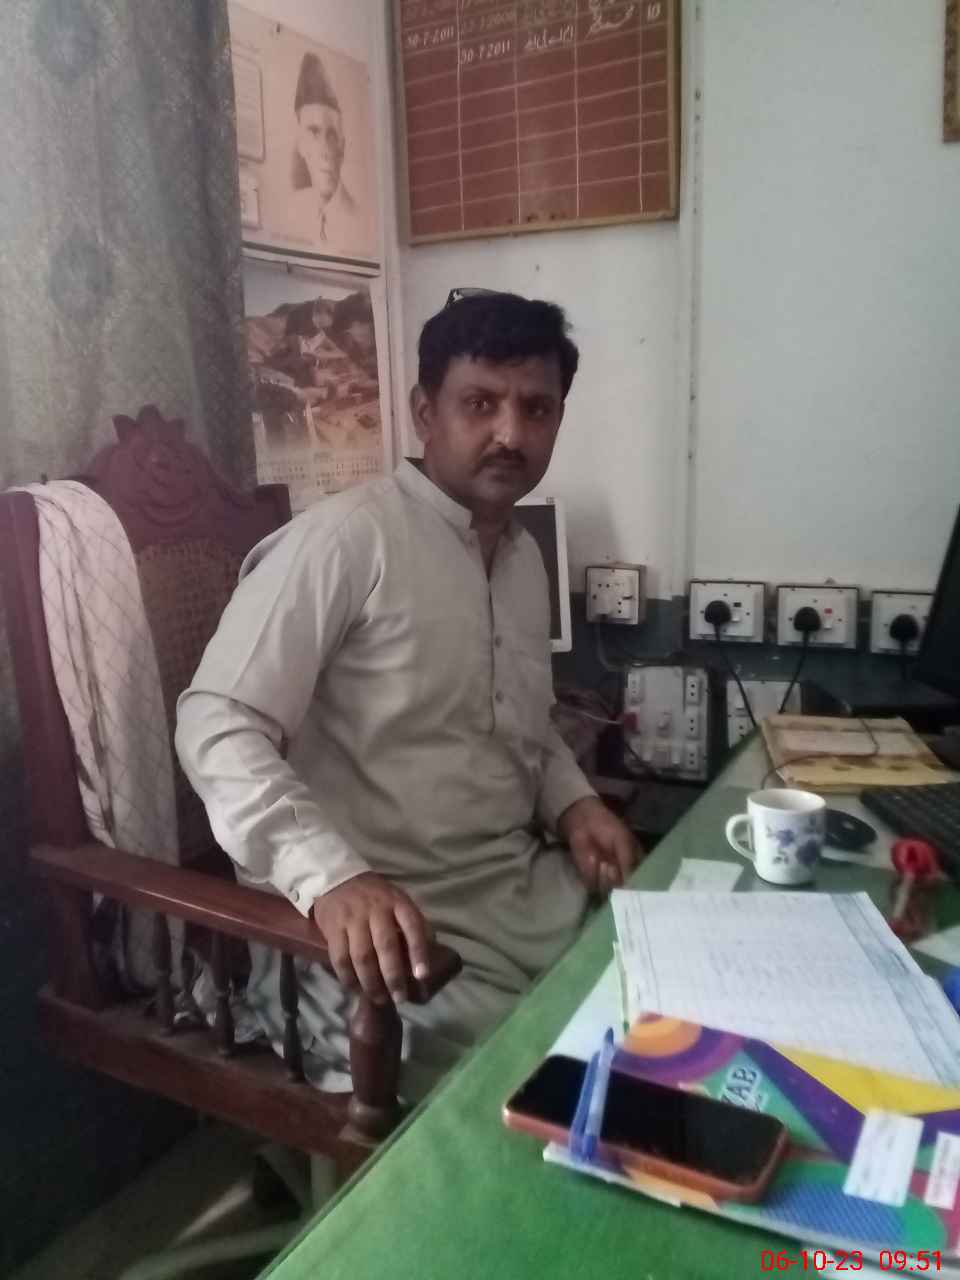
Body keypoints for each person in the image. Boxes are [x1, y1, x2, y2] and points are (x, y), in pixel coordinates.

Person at [175, 291, 638, 1096]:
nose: (510, 433)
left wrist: (573, 803)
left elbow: (518, 720)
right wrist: (331, 877)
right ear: (427, 412)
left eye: (536, 408)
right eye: (480, 403)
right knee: (581, 1082)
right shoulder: (346, 540)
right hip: (382, 940)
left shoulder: (521, 559)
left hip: (518, 896)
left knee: (667, 993)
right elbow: (215, 721)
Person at [290, 51, 357, 246]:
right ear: (301, 144)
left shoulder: (357, 218)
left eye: (332, 136)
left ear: (342, 148)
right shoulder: (291, 213)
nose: (325, 151)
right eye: (314, 133)